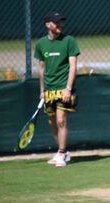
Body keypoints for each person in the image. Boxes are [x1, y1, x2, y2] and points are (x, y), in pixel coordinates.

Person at [34, 11, 80, 167]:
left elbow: (73, 66)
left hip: (63, 88)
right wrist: (42, 90)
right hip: (48, 90)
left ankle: (61, 152)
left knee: (61, 120)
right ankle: (63, 152)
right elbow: (41, 69)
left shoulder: (69, 41)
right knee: (52, 122)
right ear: (48, 25)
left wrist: (68, 88)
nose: (60, 24)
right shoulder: (41, 44)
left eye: (61, 22)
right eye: (56, 22)